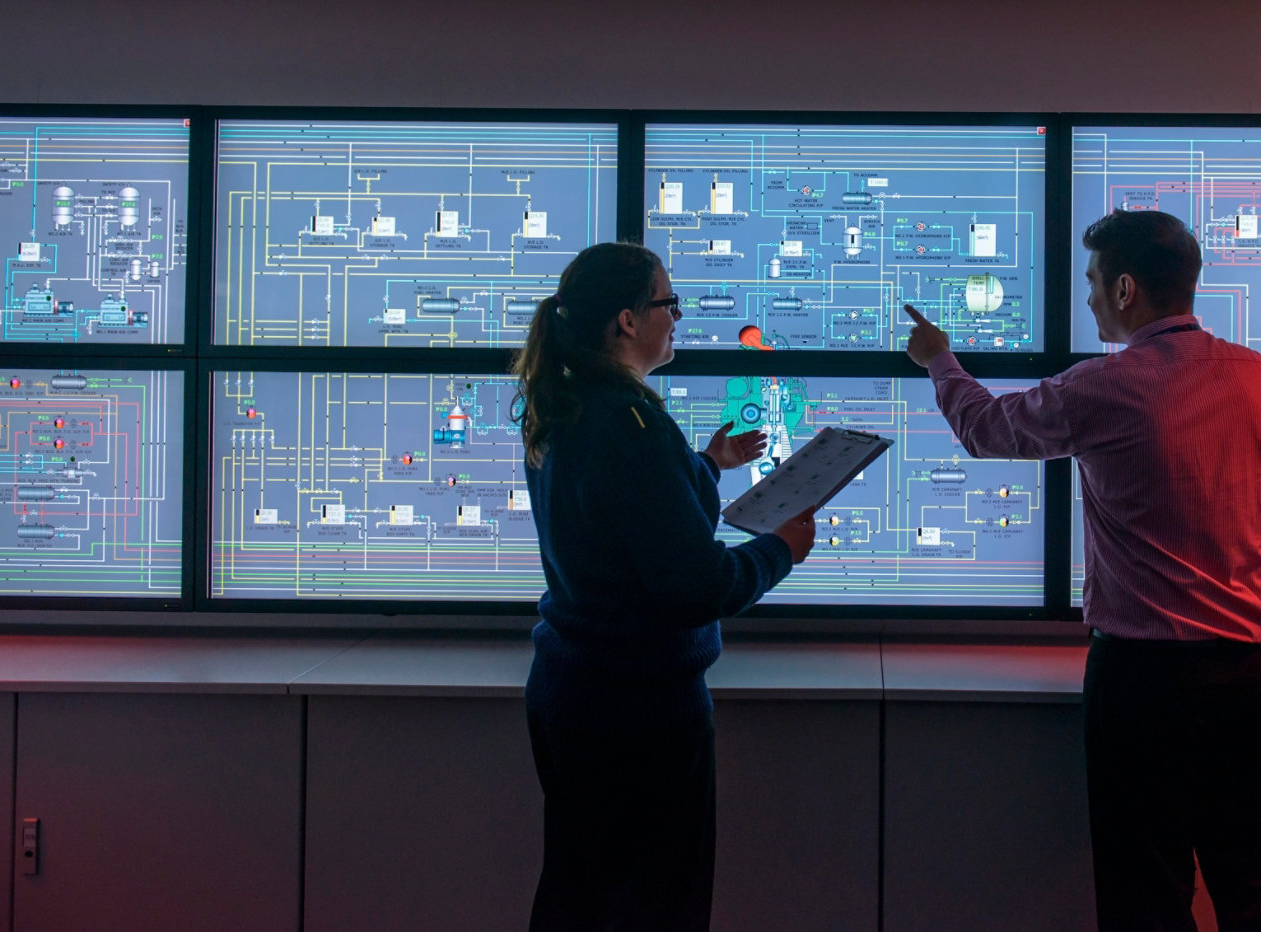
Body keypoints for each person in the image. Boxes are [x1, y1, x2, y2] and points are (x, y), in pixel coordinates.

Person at [903, 209, 1261, 931]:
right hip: (1251, 676)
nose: (1090, 298)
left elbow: (985, 429)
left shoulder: (1108, 386)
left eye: (1094, 281)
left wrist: (939, 360)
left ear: (1127, 289)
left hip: (1146, 684)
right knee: (1250, 883)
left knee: (1145, 893)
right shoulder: (1253, 377)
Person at [511, 241, 816, 931]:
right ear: (626, 320)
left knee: (581, 895)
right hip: (638, 717)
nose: (677, 316)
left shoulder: (572, 407)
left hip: (573, 696)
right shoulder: (631, 426)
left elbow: (630, 526)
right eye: (667, 302)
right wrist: (781, 550)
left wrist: (704, 465)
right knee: (654, 908)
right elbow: (696, 586)